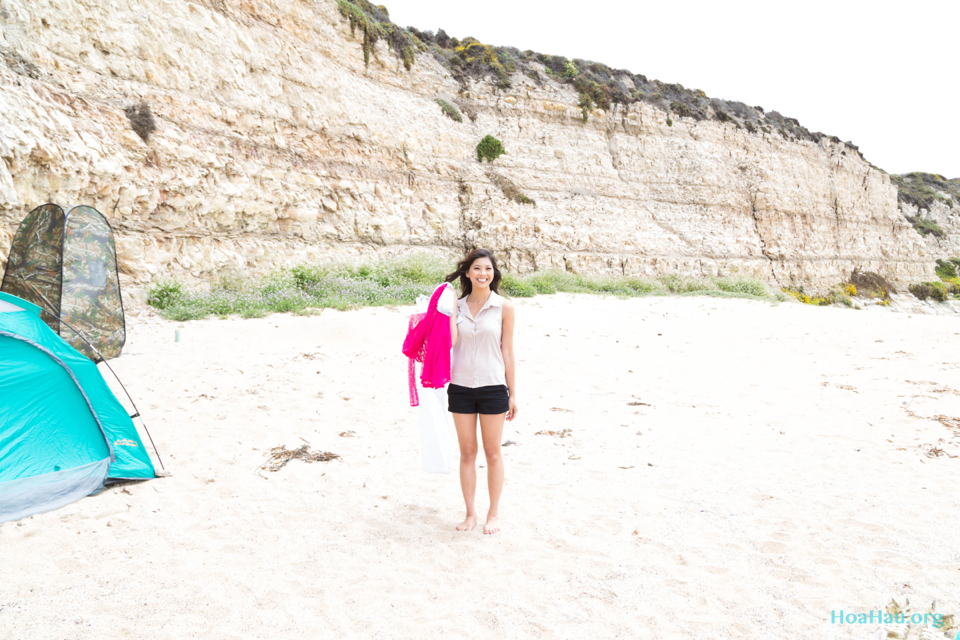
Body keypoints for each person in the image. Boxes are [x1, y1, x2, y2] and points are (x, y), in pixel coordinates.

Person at [443, 249, 518, 535]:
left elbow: (508, 352)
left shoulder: (504, 307)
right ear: (467, 273)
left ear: (493, 274)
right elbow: (450, 342)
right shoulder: (457, 306)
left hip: (493, 387)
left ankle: (493, 513)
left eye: (487, 269)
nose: (482, 274)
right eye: (477, 269)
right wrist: (450, 309)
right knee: (467, 453)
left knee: (493, 453)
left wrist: (512, 393)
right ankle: (470, 513)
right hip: (460, 386)